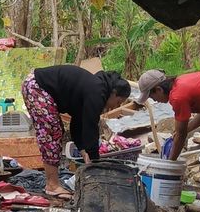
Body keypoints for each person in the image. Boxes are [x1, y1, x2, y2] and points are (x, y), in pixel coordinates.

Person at [135, 69, 200, 212]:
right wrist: (186, 129)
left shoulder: (178, 96)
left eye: (152, 96)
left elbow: (180, 134)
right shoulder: (181, 82)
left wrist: (170, 163)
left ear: (159, 89)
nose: (154, 101)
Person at [21, 65, 131, 199]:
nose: (116, 107)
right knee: (51, 132)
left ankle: (53, 184)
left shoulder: (95, 88)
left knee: (56, 131)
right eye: (118, 102)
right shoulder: (97, 91)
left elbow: (78, 124)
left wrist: (84, 151)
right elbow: (91, 126)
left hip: (35, 84)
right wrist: (95, 161)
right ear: (113, 93)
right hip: (37, 87)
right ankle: (52, 186)